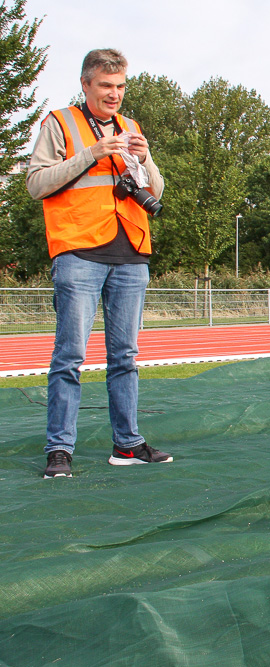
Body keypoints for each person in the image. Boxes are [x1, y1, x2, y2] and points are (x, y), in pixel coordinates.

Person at [26, 49, 170, 479]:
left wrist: (144, 159)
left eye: (121, 86)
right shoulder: (60, 122)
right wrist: (91, 152)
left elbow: (157, 191)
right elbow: (36, 183)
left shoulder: (131, 128)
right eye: (106, 85)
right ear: (86, 84)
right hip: (79, 251)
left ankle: (127, 444)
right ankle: (59, 450)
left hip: (130, 251)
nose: (115, 94)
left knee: (125, 355)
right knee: (69, 355)